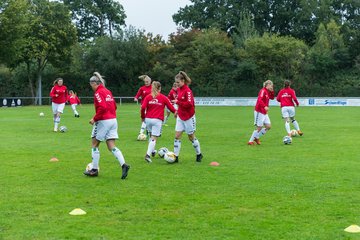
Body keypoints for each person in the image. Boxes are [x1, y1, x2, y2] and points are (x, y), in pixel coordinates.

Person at [84, 72, 130, 179]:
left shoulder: (98, 93)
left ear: (93, 83)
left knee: (95, 144)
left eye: (91, 85)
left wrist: (94, 119)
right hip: (113, 120)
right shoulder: (107, 91)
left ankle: (94, 170)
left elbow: (103, 107)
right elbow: (114, 106)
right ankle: (124, 165)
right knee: (111, 146)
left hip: (104, 121)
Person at [141, 81, 177, 163]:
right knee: (154, 138)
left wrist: (143, 117)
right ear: (160, 88)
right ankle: (148, 155)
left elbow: (143, 108)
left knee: (150, 135)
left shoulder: (148, 97)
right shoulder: (163, 97)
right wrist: (176, 112)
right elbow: (171, 108)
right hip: (157, 120)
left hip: (148, 119)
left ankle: (153, 151)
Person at [172, 71, 203, 163]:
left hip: (189, 117)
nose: (176, 84)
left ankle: (199, 154)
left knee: (191, 137)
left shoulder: (188, 91)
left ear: (183, 81)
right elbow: (180, 103)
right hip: (180, 117)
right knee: (177, 136)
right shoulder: (178, 90)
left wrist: (177, 102)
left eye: (178, 82)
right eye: (175, 82)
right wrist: (177, 111)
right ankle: (175, 157)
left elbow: (189, 104)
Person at [248, 80, 275, 145]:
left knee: (268, 126)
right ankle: (250, 141)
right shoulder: (263, 91)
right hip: (259, 111)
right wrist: (264, 106)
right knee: (259, 127)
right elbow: (259, 99)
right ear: (267, 85)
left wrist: (272, 91)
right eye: (271, 85)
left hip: (264, 112)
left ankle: (256, 137)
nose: (271, 86)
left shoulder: (268, 92)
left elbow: (272, 98)